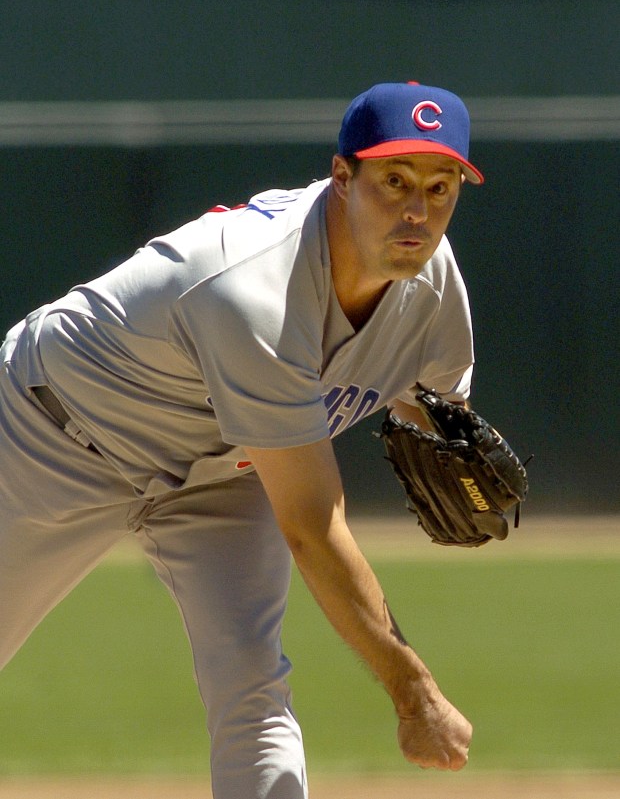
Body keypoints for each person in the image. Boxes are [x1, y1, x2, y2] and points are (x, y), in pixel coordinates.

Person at [0, 80, 483, 798]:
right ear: (343, 178)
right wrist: (414, 690)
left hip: (224, 467)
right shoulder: (254, 283)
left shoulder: (434, 291)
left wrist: (460, 467)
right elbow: (312, 528)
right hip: (55, 436)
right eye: (395, 180)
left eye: (441, 186)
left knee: (252, 687)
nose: (417, 209)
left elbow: (438, 426)